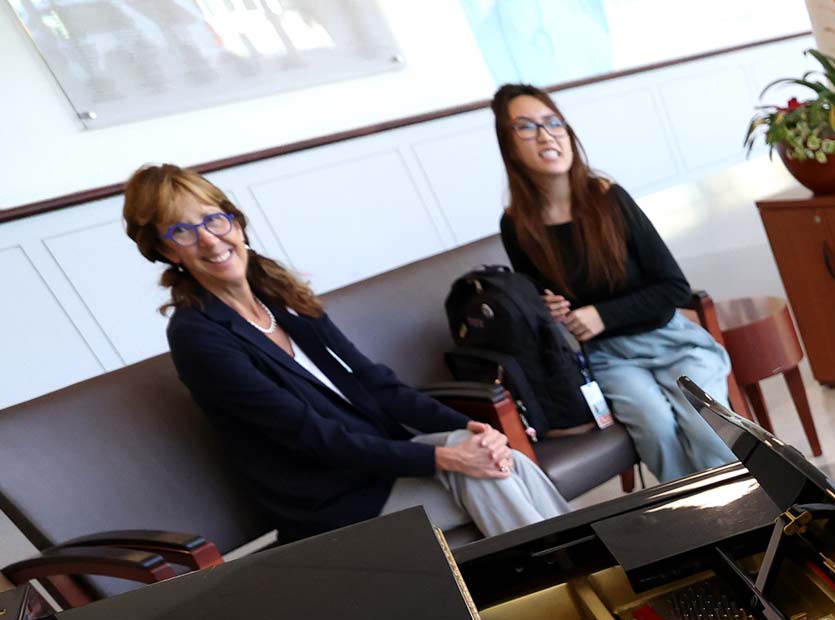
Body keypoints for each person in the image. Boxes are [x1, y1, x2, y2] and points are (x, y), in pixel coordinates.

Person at [123, 164, 569, 545]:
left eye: (214, 220)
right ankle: (579, 577)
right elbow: (310, 436)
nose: (209, 240)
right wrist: (445, 457)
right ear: (165, 251)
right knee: (485, 470)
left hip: (381, 466)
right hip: (332, 502)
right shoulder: (199, 336)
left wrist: (471, 427)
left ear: (236, 223)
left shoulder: (278, 295)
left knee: (497, 457)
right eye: (183, 231)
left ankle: (583, 567)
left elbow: (378, 383)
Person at [492, 83, 735, 483]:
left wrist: (601, 315)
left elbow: (673, 288)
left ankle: (744, 514)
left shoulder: (607, 198)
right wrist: (547, 307)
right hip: (610, 358)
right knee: (655, 428)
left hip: (670, 339)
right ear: (509, 144)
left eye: (553, 122)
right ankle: (703, 520)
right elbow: (537, 298)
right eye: (526, 126)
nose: (546, 133)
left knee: (703, 425)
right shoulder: (516, 224)